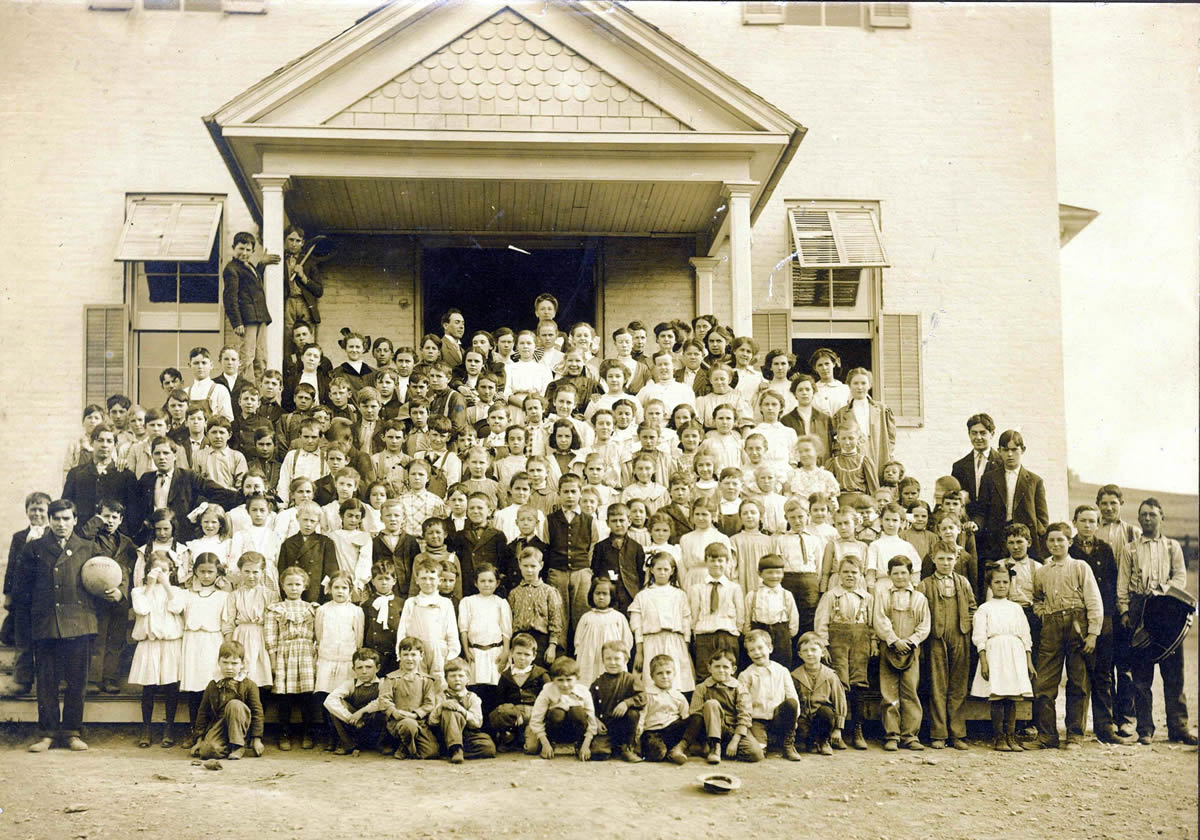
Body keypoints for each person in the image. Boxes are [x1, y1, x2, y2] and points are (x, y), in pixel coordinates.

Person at [15, 499, 121, 752]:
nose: (61, 524)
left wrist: (118, 591)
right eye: (56, 519)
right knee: (46, 682)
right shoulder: (34, 549)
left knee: (77, 681)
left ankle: (73, 732)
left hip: (80, 623)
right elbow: (22, 590)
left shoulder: (88, 548)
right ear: (49, 521)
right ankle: (47, 733)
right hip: (46, 624)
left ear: (75, 520)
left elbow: (113, 573)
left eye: (66, 519)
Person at [1117, 498, 1196, 745]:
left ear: (1162, 517)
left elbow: (1180, 578)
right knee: (1141, 676)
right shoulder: (1130, 549)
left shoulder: (1173, 547)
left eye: (1152, 514)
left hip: (1167, 611)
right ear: (1139, 519)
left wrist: (1162, 591)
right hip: (1140, 611)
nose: (1147, 519)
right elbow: (1122, 584)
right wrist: (1125, 611)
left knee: (1174, 674)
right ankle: (1145, 729)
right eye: (1143, 515)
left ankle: (1178, 727)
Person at [1029, 521, 1102, 750]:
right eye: (1051, 540)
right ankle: (1047, 735)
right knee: (1044, 683)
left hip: (1076, 624)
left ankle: (1074, 735)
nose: (1056, 544)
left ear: (1069, 542)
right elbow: (1037, 599)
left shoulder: (1080, 567)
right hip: (1051, 626)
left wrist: (1092, 633)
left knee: (1078, 681)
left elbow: (1093, 600)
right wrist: (1043, 613)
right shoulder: (1041, 572)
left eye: (1060, 539)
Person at [1068, 504, 1131, 744]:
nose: (1087, 525)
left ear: (1097, 524)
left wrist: (1107, 617)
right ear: (1075, 522)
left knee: (1103, 674)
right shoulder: (1069, 548)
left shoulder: (1104, 549)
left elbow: (1112, 584)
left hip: (1103, 617)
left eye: (1092, 521)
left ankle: (1105, 728)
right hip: (1075, 618)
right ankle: (1075, 730)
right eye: (1083, 520)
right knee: (1077, 675)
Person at [917, 540, 977, 750]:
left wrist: (967, 629)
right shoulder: (925, 584)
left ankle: (958, 734)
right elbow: (920, 614)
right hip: (936, 639)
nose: (945, 563)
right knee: (937, 686)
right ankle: (939, 733)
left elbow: (972, 608)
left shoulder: (963, 582)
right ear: (933, 559)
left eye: (949, 559)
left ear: (956, 560)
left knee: (958, 686)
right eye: (941, 559)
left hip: (960, 636)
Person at [971, 565, 1035, 752]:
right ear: (990, 585)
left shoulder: (1016, 608)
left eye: (1005, 582)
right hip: (995, 652)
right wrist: (983, 660)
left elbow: (1025, 634)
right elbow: (979, 636)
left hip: (1015, 653)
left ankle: (1011, 737)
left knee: (1012, 697)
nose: (1001, 585)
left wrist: (1028, 660)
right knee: (998, 696)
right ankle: (999, 737)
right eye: (997, 582)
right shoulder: (984, 608)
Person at [127, 550, 185, 748]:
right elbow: (142, 609)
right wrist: (150, 586)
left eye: (164, 570)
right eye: (155, 570)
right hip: (149, 644)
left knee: (171, 687)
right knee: (148, 688)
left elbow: (177, 608)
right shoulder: (139, 591)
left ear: (171, 571)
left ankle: (169, 727)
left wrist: (167, 585)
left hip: (170, 644)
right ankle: (146, 728)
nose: (159, 574)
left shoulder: (177, 592)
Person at [814, 556, 872, 749]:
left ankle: (857, 730)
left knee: (859, 684)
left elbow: (872, 624)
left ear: (861, 574)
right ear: (839, 574)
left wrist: (873, 642)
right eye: (846, 572)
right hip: (838, 642)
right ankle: (839, 729)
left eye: (854, 572)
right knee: (840, 683)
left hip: (861, 642)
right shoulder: (831, 596)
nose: (850, 576)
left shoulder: (867, 597)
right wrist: (823, 645)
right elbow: (821, 622)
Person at [873, 555, 930, 751]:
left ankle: (910, 735)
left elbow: (924, 625)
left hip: (911, 649)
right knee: (889, 692)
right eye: (895, 573)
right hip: (889, 647)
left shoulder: (919, 598)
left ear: (910, 573)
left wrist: (910, 641)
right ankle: (892, 735)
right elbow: (879, 620)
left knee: (910, 691)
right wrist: (894, 640)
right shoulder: (883, 596)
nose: (899, 577)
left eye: (903, 572)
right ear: (889, 575)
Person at [137, 436, 239, 542]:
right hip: (153, 537)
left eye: (166, 453)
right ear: (152, 456)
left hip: (181, 536)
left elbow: (220, 493)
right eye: (157, 453)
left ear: (175, 455)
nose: (162, 457)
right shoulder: (146, 479)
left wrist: (199, 512)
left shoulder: (188, 477)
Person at [83, 499, 138, 695]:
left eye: (114, 517)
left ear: (121, 520)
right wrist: (96, 521)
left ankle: (110, 678)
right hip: (96, 598)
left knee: (115, 640)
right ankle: (93, 679)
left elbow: (129, 570)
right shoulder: (91, 540)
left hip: (118, 600)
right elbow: (84, 533)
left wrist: (121, 593)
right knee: (97, 638)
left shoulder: (127, 543)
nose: (110, 521)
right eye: (106, 516)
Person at [265, 566, 319, 751]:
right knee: (284, 698)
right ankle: (284, 733)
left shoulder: (311, 608)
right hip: (284, 653)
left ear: (304, 586)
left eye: (298, 584)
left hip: (305, 653)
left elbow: (317, 636)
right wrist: (273, 659)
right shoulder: (275, 609)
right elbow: (271, 637)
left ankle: (308, 733)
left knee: (307, 697)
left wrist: (315, 657)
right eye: (290, 584)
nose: (294, 588)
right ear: (282, 586)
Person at [974, 430, 1049, 560]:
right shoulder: (989, 479)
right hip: (995, 541)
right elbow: (982, 511)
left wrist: (1036, 536)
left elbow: (1042, 519)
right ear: (999, 450)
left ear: (1023, 450)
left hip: (1025, 542)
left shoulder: (1035, 481)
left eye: (1014, 450)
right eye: (1005, 450)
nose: (1009, 454)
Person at [3, 491, 50, 696]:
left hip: (46, 598)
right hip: (23, 598)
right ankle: (22, 681)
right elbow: (12, 567)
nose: (37, 513)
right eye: (33, 509)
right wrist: (8, 594)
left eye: (41, 509)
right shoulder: (19, 537)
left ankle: (48, 682)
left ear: (49, 512)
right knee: (23, 640)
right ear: (27, 512)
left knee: (46, 642)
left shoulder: (54, 535)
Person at [678, 648, 762, 764]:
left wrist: (735, 741)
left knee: (755, 754)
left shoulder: (739, 688)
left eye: (725, 667)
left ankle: (716, 749)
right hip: (709, 731)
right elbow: (695, 715)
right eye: (717, 666)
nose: (721, 670)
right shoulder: (702, 688)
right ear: (709, 668)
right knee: (711, 704)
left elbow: (745, 716)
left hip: (733, 729)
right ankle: (714, 746)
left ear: (733, 669)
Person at [189, 640, 266, 760]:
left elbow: (257, 713)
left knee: (234, 705)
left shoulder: (249, 685)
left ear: (242, 664)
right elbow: (202, 712)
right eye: (225, 662)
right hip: (220, 725)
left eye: (234, 663)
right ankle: (226, 747)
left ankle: (238, 746)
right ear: (218, 662)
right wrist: (199, 740)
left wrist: (257, 740)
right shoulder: (213, 684)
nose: (229, 667)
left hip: (241, 726)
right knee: (206, 751)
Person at [314, 572, 366, 748]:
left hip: (346, 659)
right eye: (336, 587)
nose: (340, 591)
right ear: (329, 589)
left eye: (344, 588)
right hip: (327, 659)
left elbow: (358, 638)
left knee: (342, 698)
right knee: (325, 696)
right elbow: (319, 635)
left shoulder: (356, 611)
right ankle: (329, 736)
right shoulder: (322, 610)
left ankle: (341, 736)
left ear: (350, 590)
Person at [179, 554, 231, 730]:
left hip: (212, 642)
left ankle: (212, 730)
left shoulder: (223, 596)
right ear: (195, 572)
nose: (206, 576)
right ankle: (195, 730)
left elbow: (226, 623)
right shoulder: (186, 594)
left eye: (211, 572)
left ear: (218, 573)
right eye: (202, 571)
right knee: (194, 688)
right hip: (192, 642)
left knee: (212, 686)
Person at [630, 552, 694, 693]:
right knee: (652, 680)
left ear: (672, 571)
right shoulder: (643, 595)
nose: (662, 573)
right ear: (652, 570)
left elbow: (686, 622)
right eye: (659, 569)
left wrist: (686, 647)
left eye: (666, 569)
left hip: (675, 642)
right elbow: (637, 626)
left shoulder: (679, 595)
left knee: (675, 680)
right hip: (651, 642)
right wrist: (639, 652)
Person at [738, 628, 801, 760]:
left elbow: (792, 696)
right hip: (757, 720)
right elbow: (742, 703)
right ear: (748, 653)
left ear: (770, 648)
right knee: (760, 752)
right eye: (752, 650)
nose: (757, 653)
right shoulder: (746, 675)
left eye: (760, 647)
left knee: (791, 704)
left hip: (778, 718)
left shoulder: (782, 671)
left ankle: (788, 744)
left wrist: (793, 720)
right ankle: (767, 741)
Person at [457, 563, 512, 708]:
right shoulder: (467, 602)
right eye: (482, 581)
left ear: (497, 583)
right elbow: (464, 629)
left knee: (496, 690)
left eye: (490, 581)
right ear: (476, 583)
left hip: (495, 652)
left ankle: (494, 728)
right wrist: (467, 650)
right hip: (475, 652)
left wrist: (505, 651)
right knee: (475, 691)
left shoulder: (501, 603)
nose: (486, 584)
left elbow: (506, 630)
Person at [397, 556, 459, 685]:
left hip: (438, 652)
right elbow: (402, 631)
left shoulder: (445, 603)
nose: (428, 582)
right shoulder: (411, 603)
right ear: (417, 580)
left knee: (438, 685)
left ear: (439, 581)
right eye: (423, 578)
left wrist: (451, 655)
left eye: (432, 578)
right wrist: (401, 653)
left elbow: (452, 631)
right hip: (415, 651)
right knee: (415, 684)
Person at [220, 552, 277, 692]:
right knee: (241, 676)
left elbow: (274, 623)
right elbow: (229, 623)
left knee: (260, 675)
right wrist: (230, 646)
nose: (251, 576)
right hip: (241, 637)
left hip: (262, 637)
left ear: (262, 572)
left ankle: (259, 710)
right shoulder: (234, 595)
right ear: (240, 571)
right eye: (247, 571)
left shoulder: (270, 595)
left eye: (255, 572)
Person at [687, 543, 744, 680]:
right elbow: (694, 614)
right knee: (704, 672)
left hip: (728, 635)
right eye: (712, 560)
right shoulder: (697, 588)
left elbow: (741, 614)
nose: (716, 564)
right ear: (706, 562)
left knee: (729, 673)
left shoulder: (734, 588)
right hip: (704, 636)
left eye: (720, 560)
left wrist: (737, 631)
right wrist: (695, 632)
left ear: (727, 562)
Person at [488, 632, 550, 753]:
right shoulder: (506, 676)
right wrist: (514, 713)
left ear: (534, 656)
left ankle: (524, 736)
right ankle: (509, 736)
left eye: (527, 654)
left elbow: (549, 698)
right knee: (501, 712)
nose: (522, 658)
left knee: (532, 748)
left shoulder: (541, 674)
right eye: (519, 653)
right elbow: (500, 701)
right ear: (511, 653)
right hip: (513, 715)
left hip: (535, 716)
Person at [379, 636, 440, 759]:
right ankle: (404, 746)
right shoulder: (391, 678)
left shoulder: (426, 680)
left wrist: (415, 715)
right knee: (408, 725)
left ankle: (406, 744)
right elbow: (384, 700)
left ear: (421, 656)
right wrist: (394, 712)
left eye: (413, 654)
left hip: (419, 722)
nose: (409, 658)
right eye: (405, 654)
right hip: (397, 722)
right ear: (400, 656)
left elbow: (429, 704)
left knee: (431, 752)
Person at [529, 655, 598, 761]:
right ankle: (552, 743)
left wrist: (586, 745)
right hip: (554, 730)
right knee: (557, 713)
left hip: (577, 731)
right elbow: (536, 719)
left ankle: (578, 744)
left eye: (569, 680)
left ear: (577, 678)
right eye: (560, 680)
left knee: (577, 711)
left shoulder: (584, 692)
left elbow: (591, 721)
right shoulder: (547, 691)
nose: (565, 684)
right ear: (553, 680)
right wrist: (545, 744)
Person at [323, 646, 386, 756]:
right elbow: (329, 700)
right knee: (336, 705)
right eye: (360, 668)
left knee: (383, 708)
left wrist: (361, 712)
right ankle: (348, 745)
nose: (364, 671)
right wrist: (350, 718)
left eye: (369, 667)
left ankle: (381, 744)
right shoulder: (351, 683)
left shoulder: (382, 683)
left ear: (377, 668)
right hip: (355, 727)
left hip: (373, 727)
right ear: (354, 669)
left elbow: (383, 701)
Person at [588, 640, 644, 762]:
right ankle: (610, 745)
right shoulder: (598, 682)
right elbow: (588, 704)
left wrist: (627, 703)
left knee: (633, 713)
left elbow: (643, 697)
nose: (612, 663)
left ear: (625, 660)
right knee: (599, 754)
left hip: (624, 726)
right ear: (603, 660)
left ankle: (627, 747)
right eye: (608, 659)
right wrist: (596, 720)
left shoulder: (631, 680)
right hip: (606, 727)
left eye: (617, 659)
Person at [572, 577, 633, 688]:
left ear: (612, 596)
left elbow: (626, 640)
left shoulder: (618, 617)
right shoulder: (587, 617)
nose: (601, 597)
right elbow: (578, 640)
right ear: (592, 595)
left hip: (611, 658)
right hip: (590, 658)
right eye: (597, 593)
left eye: (605, 594)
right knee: (588, 680)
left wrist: (623, 655)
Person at [432, 657, 496, 763]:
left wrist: (462, 711)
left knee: (488, 748)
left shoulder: (472, 697)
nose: (457, 679)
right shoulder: (441, 696)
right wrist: (441, 706)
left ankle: (453, 750)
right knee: (450, 711)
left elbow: (477, 723)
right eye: (452, 676)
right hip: (445, 734)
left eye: (461, 676)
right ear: (446, 679)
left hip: (467, 734)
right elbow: (432, 721)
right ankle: (455, 749)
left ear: (468, 679)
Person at [743, 554, 800, 669]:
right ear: (760, 573)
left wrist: (785, 635)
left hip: (781, 636)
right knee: (757, 665)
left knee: (782, 665)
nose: (774, 576)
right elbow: (746, 618)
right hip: (758, 632)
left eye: (778, 572)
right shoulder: (753, 595)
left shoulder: (786, 595)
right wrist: (750, 634)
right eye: (769, 572)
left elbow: (794, 619)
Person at [277, 501, 338, 603]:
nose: (308, 524)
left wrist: (325, 595)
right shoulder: (288, 543)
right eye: (305, 520)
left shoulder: (325, 543)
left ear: (318, 522)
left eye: (312, 521)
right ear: (297, 518)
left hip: (316, 593)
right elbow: (282, 572)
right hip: (294, 593)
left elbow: (330, 572)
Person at [637, 654, 691, 764]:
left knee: (693, 720)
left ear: (674, 674)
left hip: (672, 730)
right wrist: (637, 737)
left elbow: (686, 717)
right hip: (653, 732)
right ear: (652, 676)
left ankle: (676, 750)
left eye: (668, 672)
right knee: (657, 754)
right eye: (659, 673)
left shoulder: (678, 696)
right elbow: (641, 716)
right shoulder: (648, 695)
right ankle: (667, 753)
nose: (664, 676)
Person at [282, 226, 324, 350]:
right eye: (291, 240)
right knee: (289, 337)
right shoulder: (280, 260)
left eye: (298, 241)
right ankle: (291, 366)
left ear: (303, 243)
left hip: (305, 303)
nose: (294, 244)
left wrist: (302, 276)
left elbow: (319, 291)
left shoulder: (309, 262)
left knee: (307, 338)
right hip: (288, 302)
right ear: (285, 240)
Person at [952, 413, 1002, 507]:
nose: (978, 438)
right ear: (969, 434)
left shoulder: (1002, 463)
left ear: (992, 434)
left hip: (995, 519)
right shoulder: (959, 466)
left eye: (983, 433)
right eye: (974, 433)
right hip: (969, 519)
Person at [808, 348, 849, 416]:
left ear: (833, 364)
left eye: (827, 363)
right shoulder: (811, 389)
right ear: (815, 368)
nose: (824, 368)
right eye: (820, 365)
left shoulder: (845, 389)